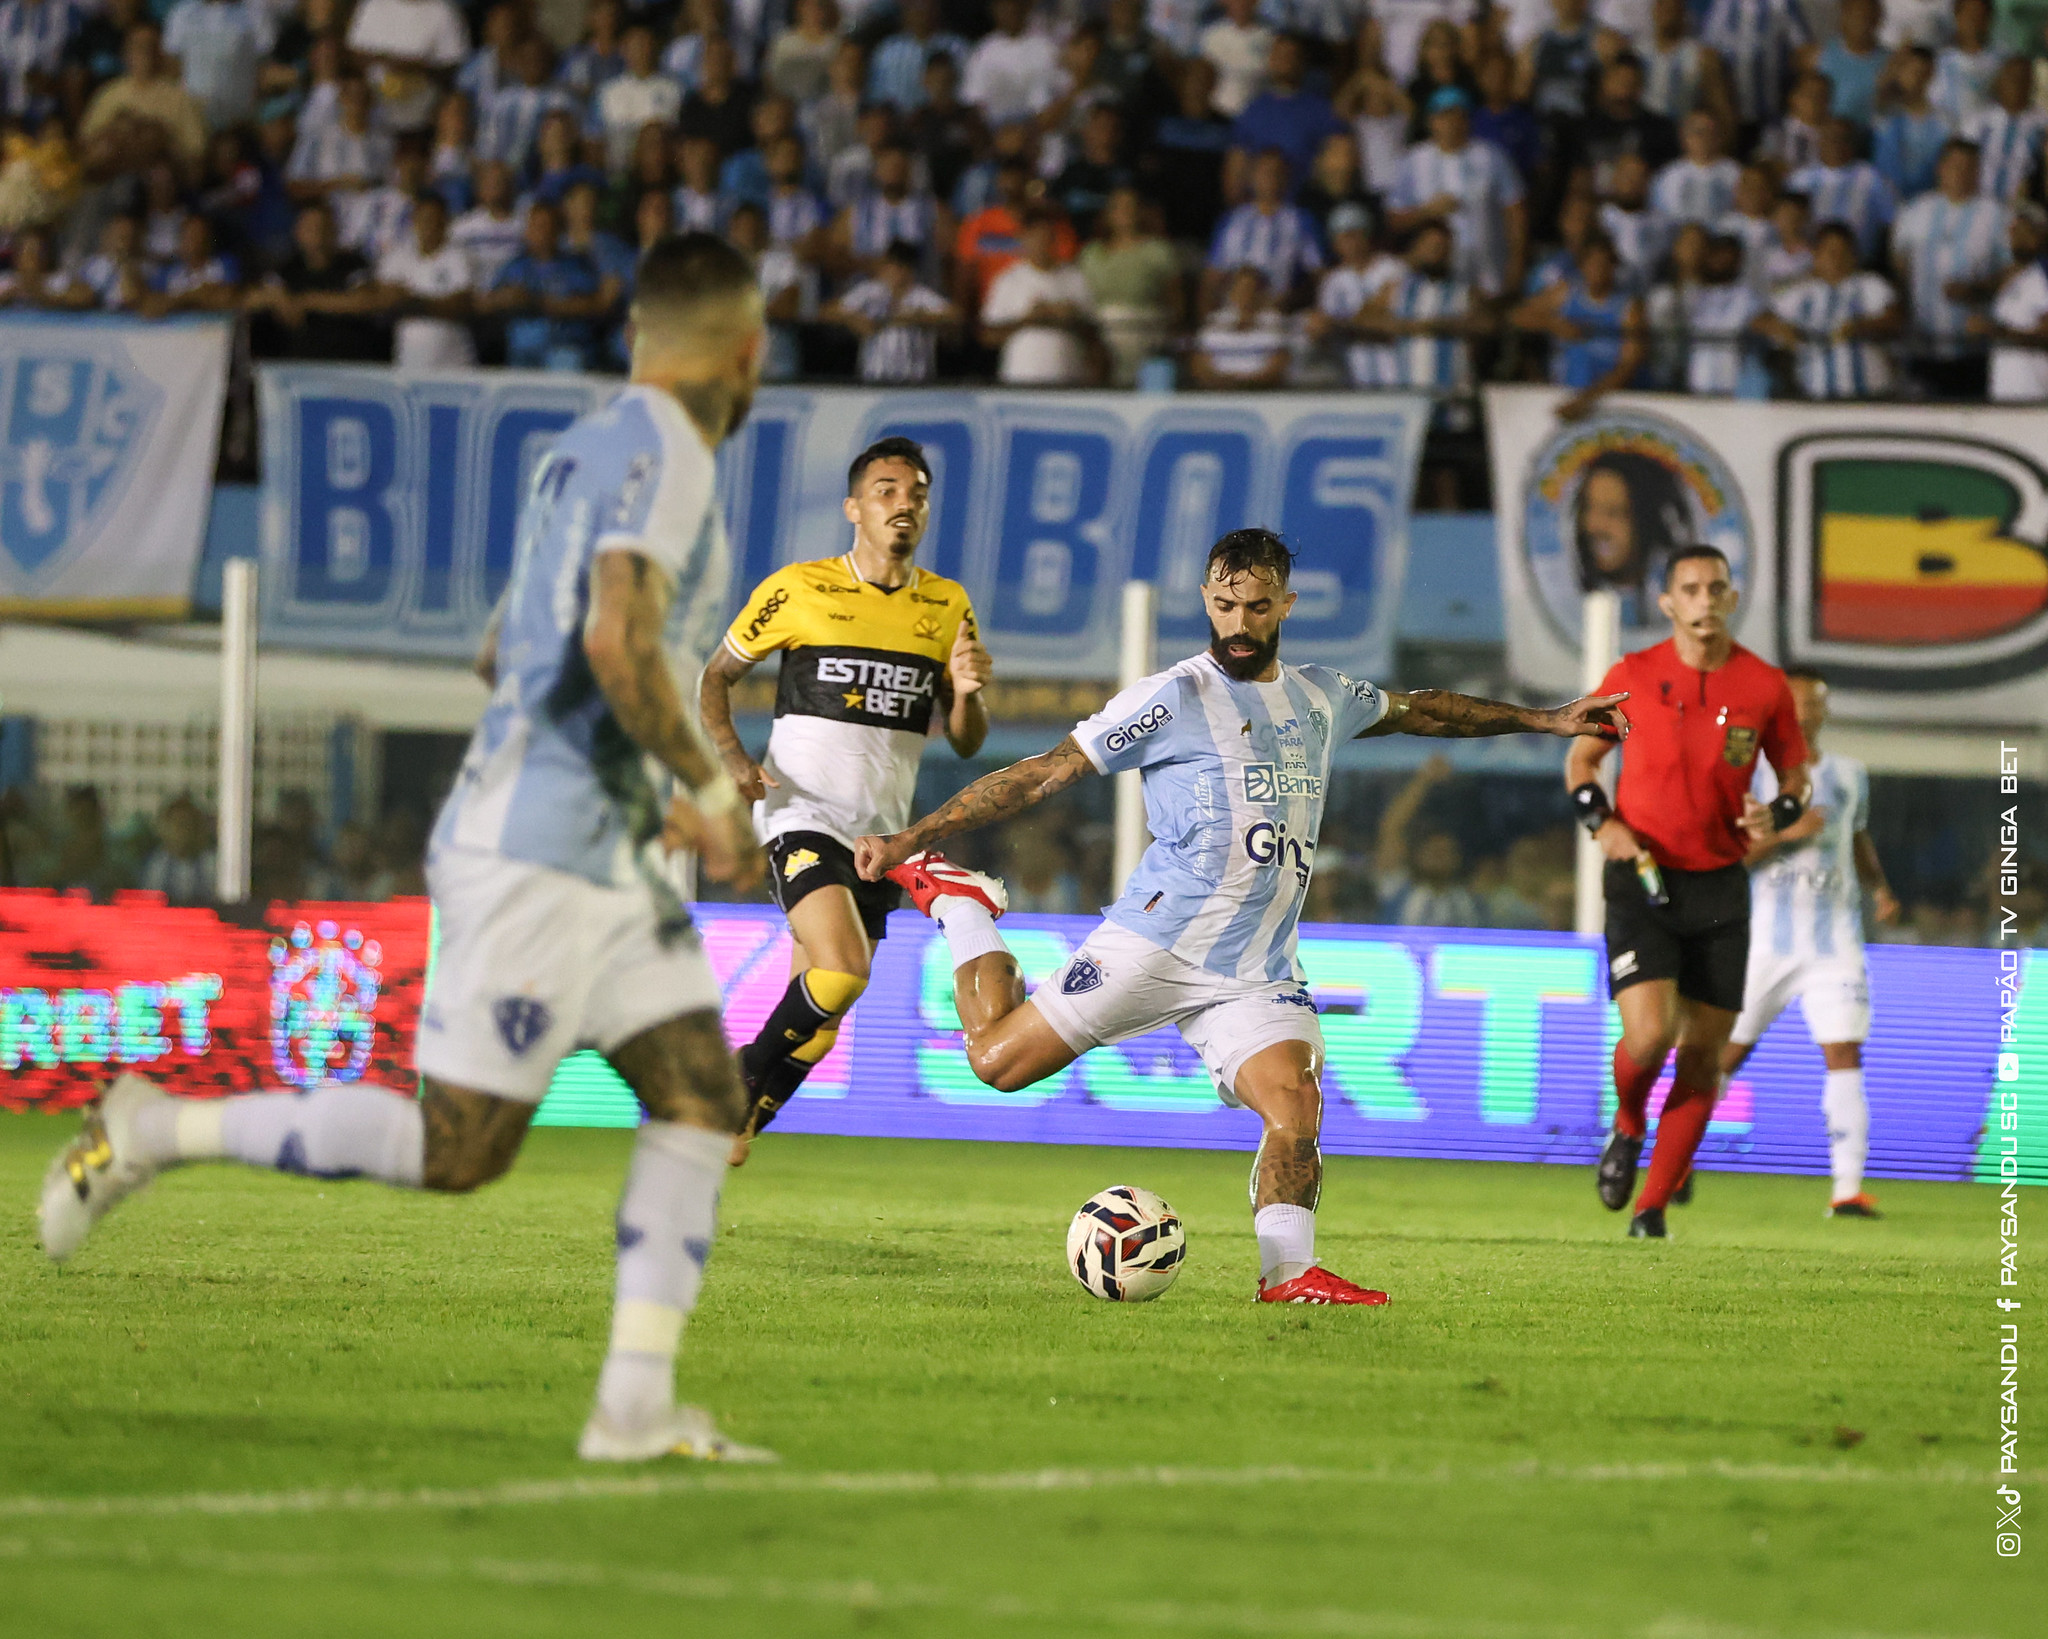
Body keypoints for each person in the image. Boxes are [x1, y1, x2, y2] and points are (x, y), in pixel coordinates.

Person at [41, 233, 776, 1467]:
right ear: (745, 352)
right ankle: (158, 1129)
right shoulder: (677, 456)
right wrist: (704, 783)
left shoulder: (579, 454)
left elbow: (504, 655)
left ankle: (634, 1409)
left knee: (703, 1099)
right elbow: (612, 640)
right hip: (539, 851)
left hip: (588, 845)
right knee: (459, 1152)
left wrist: (630, 776)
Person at [850, 528, 1626, 1304]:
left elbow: (1428, 712)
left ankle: (1289, 1274)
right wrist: (913, 839)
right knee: (996, 1064)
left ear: (1285, 603)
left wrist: (1549, 719)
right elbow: (1045, 774)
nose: (1239, 622)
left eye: (1257, 606)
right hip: (1157, 939)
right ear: (1206, 600)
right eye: (1225, 604)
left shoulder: (1322, 695)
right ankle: (963, 903)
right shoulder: (1173, 697)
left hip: (1258, 965)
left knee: (1297, 1102)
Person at [699, 437, 989, 1151]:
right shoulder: (798, 587)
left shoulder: (948, 604)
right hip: (800, 809)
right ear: (854, 508)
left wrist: (972, 694)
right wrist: (734, 756)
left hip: (880, 834)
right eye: (887, 490)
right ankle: (733, 1090)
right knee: (842, 966)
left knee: (825, 1022)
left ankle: (735, 1129)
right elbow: (715, 677)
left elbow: (966, 739)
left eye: (916, 492)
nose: (904, 504)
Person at [1569, 544, 1810, 1240]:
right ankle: (1627, 1123)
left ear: (1732, 598)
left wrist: (1783, 812)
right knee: (1648, 1036)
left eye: (1716, 588)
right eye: (1690, 589)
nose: (1705, 600)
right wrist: (1602, 820)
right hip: (1642, 875)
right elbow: (1581, 761)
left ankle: (1652, 1210)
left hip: (1721, 887)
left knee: (1702, 1057)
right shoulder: (1633, 675)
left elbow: (1796, 778)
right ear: (1668, 603)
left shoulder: (1764, 686)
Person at [1719, 669, 1898, 1219]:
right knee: (1724, 1053)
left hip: (1834, 941)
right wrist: (1787, 833)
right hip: (1764, 943)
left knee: (1844, 1051)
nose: (1806, 712)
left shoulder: (1850, 774)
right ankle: (1671, 1163)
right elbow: (1731, 860)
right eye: (1796, 703)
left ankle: (1847, 1190)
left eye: (1815, 703)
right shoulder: (1750, 777)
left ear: (1824, 710)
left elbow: (1856, 836)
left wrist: (1881, 888)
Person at [1890, 138, 2007, 397]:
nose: (1961, 173)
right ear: (1940, 168)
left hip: (1975, 348)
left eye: (1969, 167)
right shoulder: (1914, 212)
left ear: (1978, 171)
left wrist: (1978, 289)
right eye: (1955, 165)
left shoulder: (1996, 215)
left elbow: (2012, 273)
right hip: (1923, 345)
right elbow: (1899, 268)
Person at [1386, 86, 1527, 298]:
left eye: (1459, 116)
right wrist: (1427, 212)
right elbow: (1394, 219)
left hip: (1486, 269)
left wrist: (1516, 262)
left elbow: (1516, 212)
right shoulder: (1413, 161)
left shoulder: (1492, 157)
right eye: (1444, 117)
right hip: (1435, 274)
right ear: (1431, 121)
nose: (1452, 123)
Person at [1512, 231, 1647, 421]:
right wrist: (1553, 324)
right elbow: (1517, 315)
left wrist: (1586, 400)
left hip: (1609, 402)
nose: (1597, 270)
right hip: (1566, 391)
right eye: (1592, 263)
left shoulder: (1629, 307)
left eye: (1603, 263)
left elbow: (1629, 363)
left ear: (1613, 266)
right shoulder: (1566, 293)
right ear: (1581, 266)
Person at [1758, 221, 1903, 398]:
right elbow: (1759, 319)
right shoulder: (1800, 292)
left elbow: (1895, 321)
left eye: (1844, 252)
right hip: (1814, 395)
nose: (1837, 259)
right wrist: (1782, 330)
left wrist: (1859, 327)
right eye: (1830, 252)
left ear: (1854, 256)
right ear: (1816, 256)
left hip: (1869, 396)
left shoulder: (1872, 285)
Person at [980, 207, 1099, 384]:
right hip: (1021, 377)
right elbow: (988, 336)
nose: (1041, 243)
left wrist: (1071, 317)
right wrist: (1028, 319)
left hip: (1068, 377)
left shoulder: (1075, 278)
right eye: (1035, 236)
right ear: (1024, 238)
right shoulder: (1008, 280)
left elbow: (1094, 332)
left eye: (1047, 237)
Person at [1205, 146, 1326, 310]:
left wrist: (1291, 301)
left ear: (1287, 178)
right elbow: (1212, 277)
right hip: (1231, 312)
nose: (1270, 178)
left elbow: (1318, 275)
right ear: (1251, 176)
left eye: (1277, 172)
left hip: (1278, 313)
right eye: (1264, 172)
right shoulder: (1231, 221)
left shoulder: (1301, 220)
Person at [822, 240, 960, 380]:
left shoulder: (921, 296)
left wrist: (917, 319)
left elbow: (955, 315)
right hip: (873, 379)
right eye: (892, 265)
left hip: (916, 383)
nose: (897, 272)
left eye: (902, 266)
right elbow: (826, 312)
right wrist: (852, 318)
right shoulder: (869, 291)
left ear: (910, 269)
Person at [1374, 755, 1484, 926]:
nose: (1439, 857)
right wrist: (1424, 779)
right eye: (1433, 852)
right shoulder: (1396, 888)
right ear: (1418, 855)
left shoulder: (1470, 900)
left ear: (1457, 858)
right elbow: (1391, 828)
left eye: (1445, 852)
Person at [375, 190, 476, 368]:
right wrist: (434, 304)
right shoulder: (397, 258)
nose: (430, 225)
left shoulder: (459, 257)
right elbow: (384, 301)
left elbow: (461, 304)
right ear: (414, 221)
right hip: (408, 365)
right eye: (425, 219)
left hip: (454, 366)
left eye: (436, 219)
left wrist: (412, 302)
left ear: (445, 222)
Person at [1191, 265, 1292, 386]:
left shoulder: (1276, 323)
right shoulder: (1213, 324)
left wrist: (1246, 382)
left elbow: (1279, 365)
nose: (1245, 294)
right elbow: (1199, 365)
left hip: (1262, 394)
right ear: (1231, 292)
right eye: (1240, 288)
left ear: (1261, 292)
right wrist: (1225, 382)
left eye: (1251, 288)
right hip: (1218, 393)